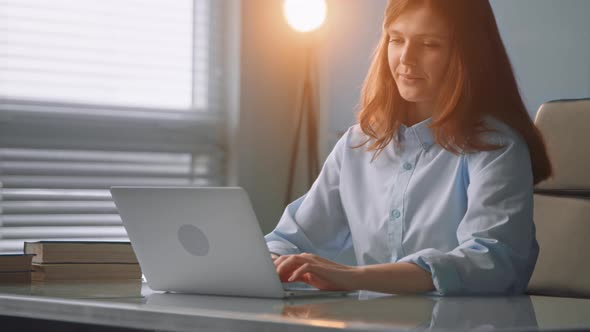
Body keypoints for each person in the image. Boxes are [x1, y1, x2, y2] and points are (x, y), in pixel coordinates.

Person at [266, 0, 552, 295]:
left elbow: (490, 260)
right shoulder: (358, 143)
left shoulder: (496, 148)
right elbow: (289, 239)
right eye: (396, 39)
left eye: (429, 45)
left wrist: (353, 277)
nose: (406, 58)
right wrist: (271, 263)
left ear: (468, 54)